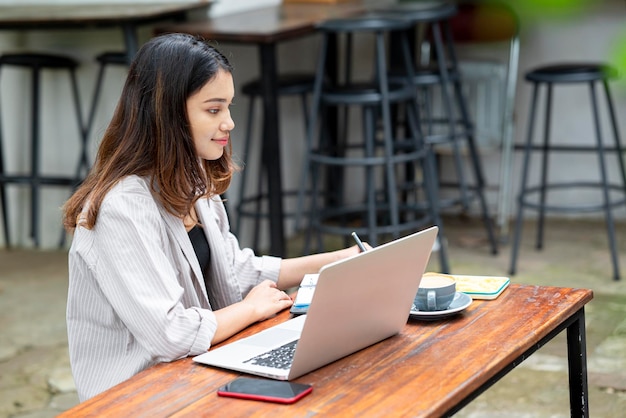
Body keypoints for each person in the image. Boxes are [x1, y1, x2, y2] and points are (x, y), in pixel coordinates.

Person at [62, 33, 363, 401]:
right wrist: (250, 309)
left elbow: (232, 271)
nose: (229, 123)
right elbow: (169, 333)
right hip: (139, 396)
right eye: (214, 110)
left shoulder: (192, 177)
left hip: (195, 370)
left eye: (228, 108)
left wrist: (341, 261)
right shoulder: (121, 206)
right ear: (167, 112)